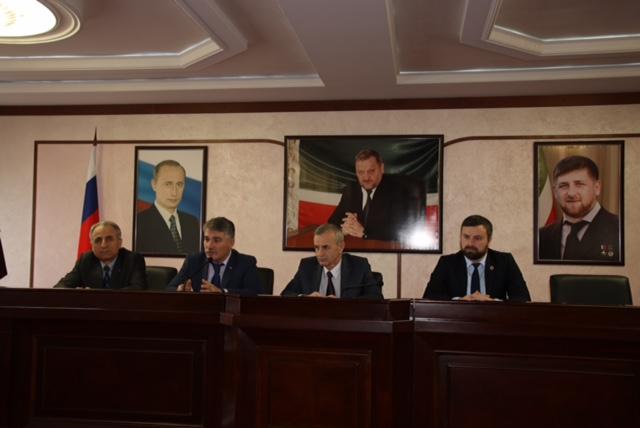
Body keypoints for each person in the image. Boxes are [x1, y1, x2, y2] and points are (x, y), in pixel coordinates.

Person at [423, 215, 530, 301]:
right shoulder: (447, 263)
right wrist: (459, 301)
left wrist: (493, 303)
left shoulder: (505, 262)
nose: (470, 243)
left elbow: (523, 299)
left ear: (489, 240)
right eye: (466, 237)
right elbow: (429, 299)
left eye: (477, 238)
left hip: (494, 320)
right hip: (458, 320)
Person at [327, 149, 425, 242]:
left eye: (371, 171)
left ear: (381, 168)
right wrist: (343, 230)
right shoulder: (351, 190)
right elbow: (332, 223)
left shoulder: (399, 191)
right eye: (361, 172)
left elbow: (403, 231)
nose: (366, 177)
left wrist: (365, 233)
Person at [538, 155, 620, 261]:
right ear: (555, 192)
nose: (571, 193)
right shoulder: (541, 236)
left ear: (597, 188)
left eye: (579, 184)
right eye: (563, 186)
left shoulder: (621, 230)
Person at [282, 223, 383, 299]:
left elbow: (376, 298)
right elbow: (286, 294)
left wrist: (341, 304)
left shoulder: (359, 266)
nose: (320, 254)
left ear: (341, 247)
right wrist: (305, 298)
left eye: (325, 247)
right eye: (316, 248)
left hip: (346, 320)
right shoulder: (307, 266)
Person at [167, 217, 262, 294]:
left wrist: (222, 292)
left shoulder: (245, 263)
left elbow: (255, 292)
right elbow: (169, 288)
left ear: (231, 242)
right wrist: (180, 289)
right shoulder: (194, 261)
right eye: (206, 239)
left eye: (216, 240)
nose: (209, 246)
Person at [55, 221, 146, 289]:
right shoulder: (86, 260)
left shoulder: (133, 260)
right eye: (98, 240)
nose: (103, 245)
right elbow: (60, 287)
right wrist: (77, 294)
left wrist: (96, 296)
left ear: (119, 242)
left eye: (109, 239)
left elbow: (138, 289)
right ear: (92, 244)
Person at [136, 160, 200, 255]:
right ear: (154, 185)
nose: (174, 192)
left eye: (179, 184)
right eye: (168, 184)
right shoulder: (140, 222)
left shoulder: (192, 222)